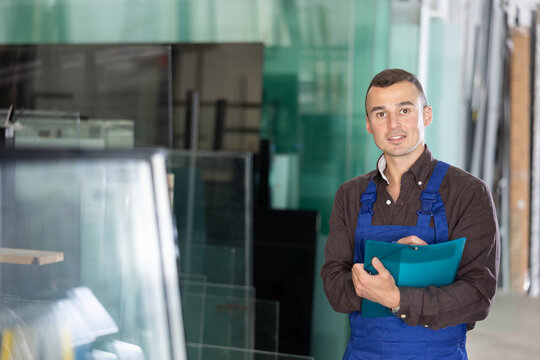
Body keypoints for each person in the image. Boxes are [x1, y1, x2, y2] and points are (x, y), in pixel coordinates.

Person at [320, 68, 500, 359]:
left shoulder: (468, 193)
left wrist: (395, 297)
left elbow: (478, 296)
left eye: (404, 110)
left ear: (426, 115)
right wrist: (373, 278)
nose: (393, 125)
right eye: (381, 114)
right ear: (368, 124)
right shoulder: (349, 195)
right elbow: (333, 288)